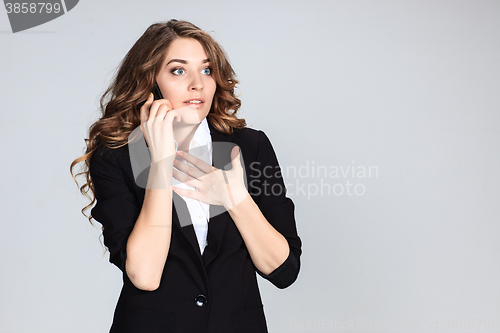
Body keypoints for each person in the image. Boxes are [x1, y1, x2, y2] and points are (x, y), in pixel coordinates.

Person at [70, 19, 302, 333]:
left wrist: (235, 198)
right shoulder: (116, 156)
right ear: (150, 81)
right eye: (179, 70)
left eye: (206, 70)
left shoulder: (250, 147)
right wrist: (161, 164)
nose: (198, 84)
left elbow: (284, 271)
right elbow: (145, 275)